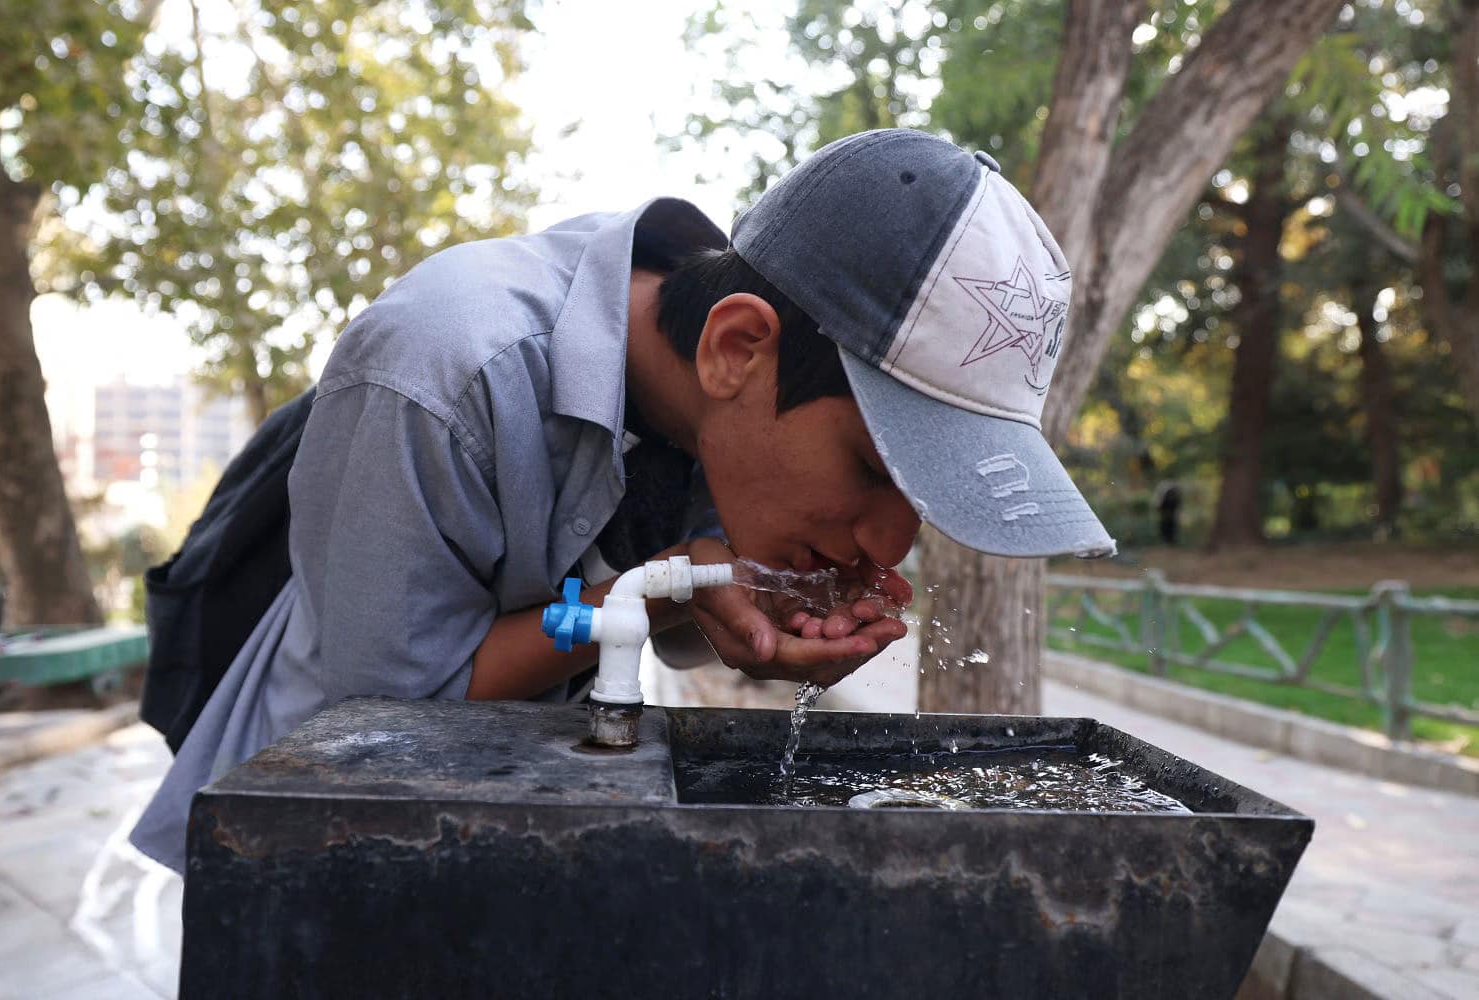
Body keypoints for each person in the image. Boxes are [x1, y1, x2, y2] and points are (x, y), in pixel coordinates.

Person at [130, 128, 1114, 873]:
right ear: (736, 345)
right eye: (872, 467)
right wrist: (655, 591)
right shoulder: (441, 368)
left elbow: (658, 594)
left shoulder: (722, 406)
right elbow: (387, 717)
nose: (888, 546)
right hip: (312, 842)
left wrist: (720, 600)